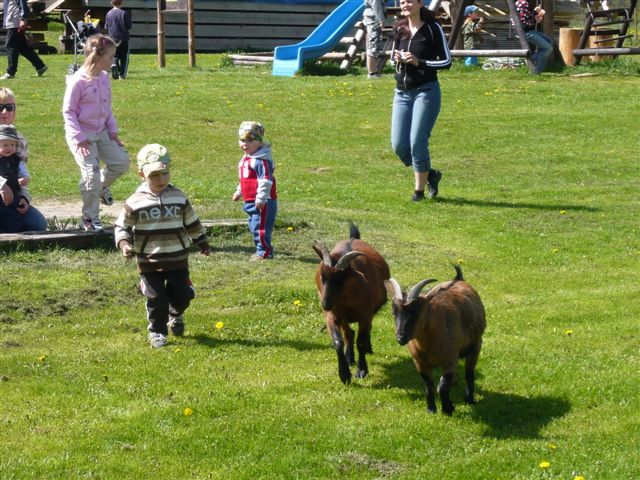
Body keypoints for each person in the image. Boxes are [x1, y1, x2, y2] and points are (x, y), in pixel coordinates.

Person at [114, 144, 210, 348]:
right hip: (149, 260)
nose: (161, 180)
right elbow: (121, 226)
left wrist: (201, 241)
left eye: (165, 174)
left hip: (177, 258)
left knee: (183, 295)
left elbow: (191, 222)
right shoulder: (135, 202)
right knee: (156, 298)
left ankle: (175, 314)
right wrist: (124, 244)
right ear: (142, 173)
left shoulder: (179, 197)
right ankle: (157, 332)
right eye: (154, 175)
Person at [62, 33, 130, 232]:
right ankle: (90, 219)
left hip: (102, 132)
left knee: (121, 162)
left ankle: (99, 188)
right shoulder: (78, 81)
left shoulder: (104, 78)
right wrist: (79, 138)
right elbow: (68, 111)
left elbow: (106, 107)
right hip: (82, 135)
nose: (113, 60)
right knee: (90, 175)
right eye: (110, 56)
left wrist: (113, 131)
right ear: (97, 57)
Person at [390, 0, 451, 201]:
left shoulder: (433, 28)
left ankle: (419, 192)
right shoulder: (399, 27)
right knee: (399, 145)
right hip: (402, 93)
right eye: (402, 2)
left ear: (419, 3)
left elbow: (446, 61)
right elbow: (391, 56)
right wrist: (397, 58)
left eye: (409, 1)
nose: (404, 5)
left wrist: (419, 62)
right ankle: (430, 174)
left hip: (426, 91)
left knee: (417, 141)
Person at [232, 121, 277, 260]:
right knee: (253, 225)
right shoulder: (246, 159)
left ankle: (264, 252)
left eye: (250, 140)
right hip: (250, 200)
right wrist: (239, 191)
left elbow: (265, 180)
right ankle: (262, 248)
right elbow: (245, 179)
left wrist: (261, 198)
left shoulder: (261, 161)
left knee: (260, 228)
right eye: (242, 140)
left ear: (259, 142)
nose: (245, 144)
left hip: (263, 202)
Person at [0, 124, 47, 232]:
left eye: (12, 145)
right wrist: (2, 185)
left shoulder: (16, 161)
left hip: (13, 197)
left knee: (37, 224)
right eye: (5, 145)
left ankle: (14, 230)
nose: (9, 148)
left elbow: (24, 177)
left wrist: (24, 197)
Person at [1, 0, 48, 80]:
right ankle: (40, 66)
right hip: (12, 21)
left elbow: (23, 5)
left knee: (10, 46)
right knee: (23, 48)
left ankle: (10, 72)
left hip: (16, 22)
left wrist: (23, 19)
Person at [515, 0, 553, 74]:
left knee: (549, 41)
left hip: (529, 31)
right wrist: (537, 13)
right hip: (525, 32)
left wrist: (537, 16)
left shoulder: (524, 3)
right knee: (547, 48)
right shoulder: (522, 3)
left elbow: (528, 18)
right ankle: (536, 71)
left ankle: (532, 59)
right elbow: (524, 23)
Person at [105, 0, 132, 79]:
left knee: (115, 55)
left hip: (112, 38)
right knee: (124, 57)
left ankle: (114, 64)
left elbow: (106, 27)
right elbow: (129, 26)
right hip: (123, 38)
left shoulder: (108, 14)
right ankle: (122, 75)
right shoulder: (124, 13)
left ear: (111, 3)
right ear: (121, 2)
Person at [363, 0, 386, 78]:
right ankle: (372, 73)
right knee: (373, 46)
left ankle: (372, 71)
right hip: (373, 19)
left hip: (370, 18)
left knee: (371, 45)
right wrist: (381, 20)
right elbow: (377, 6)